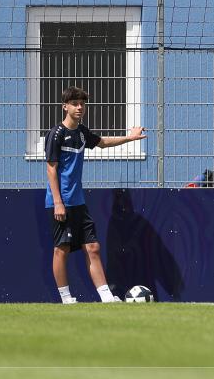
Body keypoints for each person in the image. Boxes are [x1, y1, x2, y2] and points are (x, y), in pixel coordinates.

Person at [46, 86, 146, 304]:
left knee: (93, 247)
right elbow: (51, 169)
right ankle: (66, 299)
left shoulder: (82, 133)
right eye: (74, 104)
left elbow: (102, 143)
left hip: (78, 202)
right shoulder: (56, 134)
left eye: (82, 104)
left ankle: (107, 298)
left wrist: (130, 138)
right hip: (60, 202)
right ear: (65, 107)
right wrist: (58, 202)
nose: (79, 107)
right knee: (61, 250)